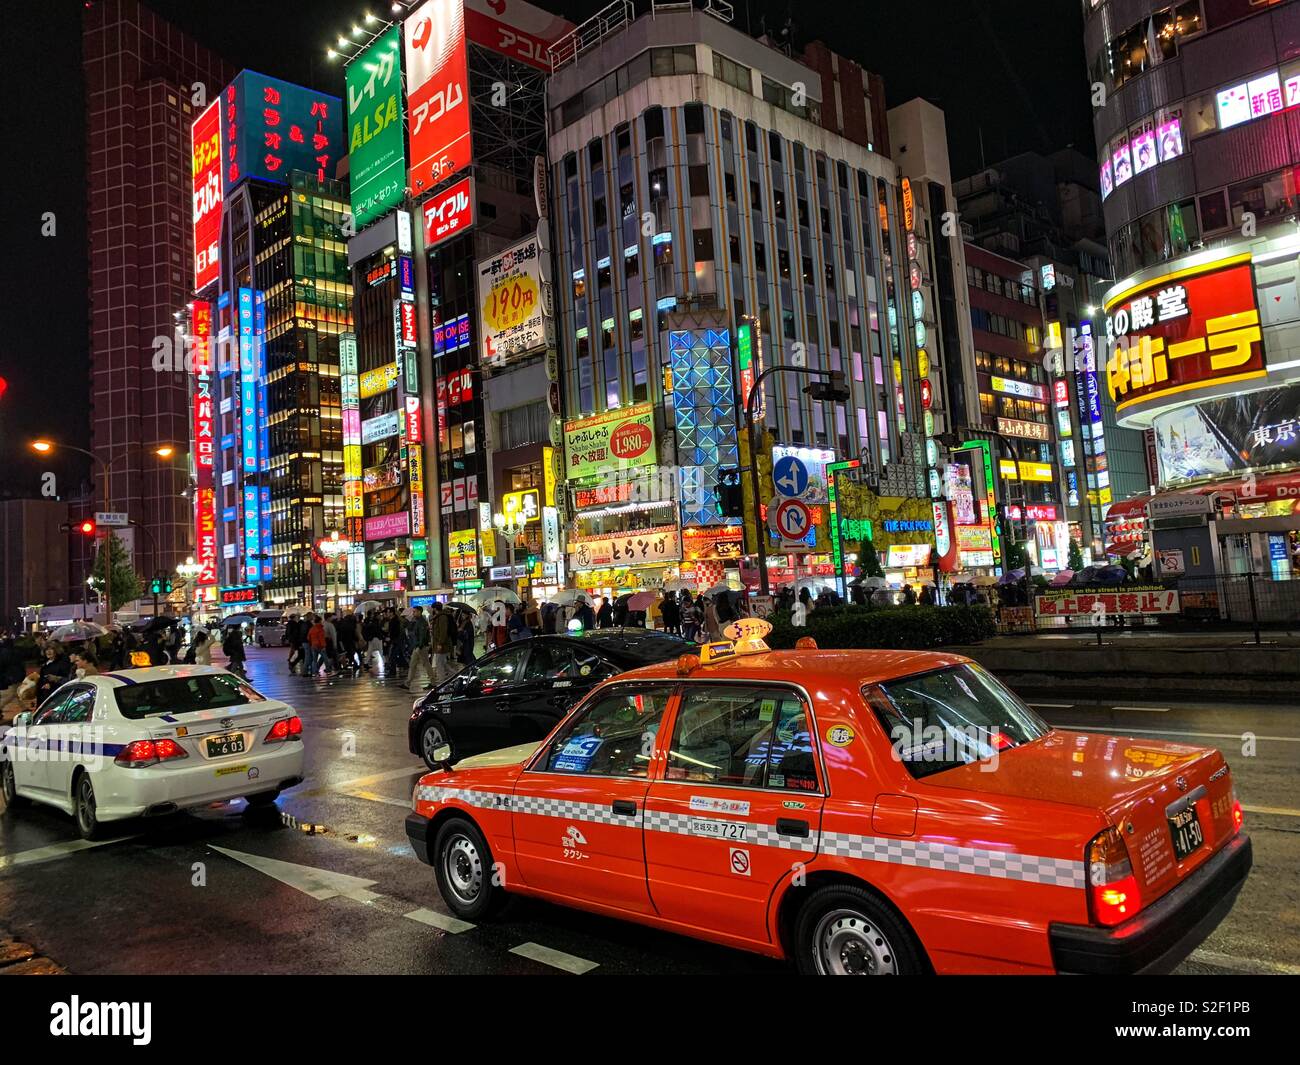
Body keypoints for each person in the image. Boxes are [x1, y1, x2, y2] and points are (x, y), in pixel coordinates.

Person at [404, 606, 433, 691]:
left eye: (415, 612)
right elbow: (410, 629)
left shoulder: (422, 622)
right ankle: (408, 683)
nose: (413, 613)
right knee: (413, 664)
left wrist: (419, 646)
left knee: (426, 664)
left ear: (419, 612)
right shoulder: (416, 621)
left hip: (421, 647)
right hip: (417, 646)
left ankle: (433, 682)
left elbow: (422, 635)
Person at [429, 604, 454, 686]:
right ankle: (455, 675)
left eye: (432, 608)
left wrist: (440, 643)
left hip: (442, 644)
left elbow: (443, 631)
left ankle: (441, 682)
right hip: (439, 643)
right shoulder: (438, 617)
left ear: (435, 609)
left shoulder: (442, 617)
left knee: (439, 663)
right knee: (443, 663)